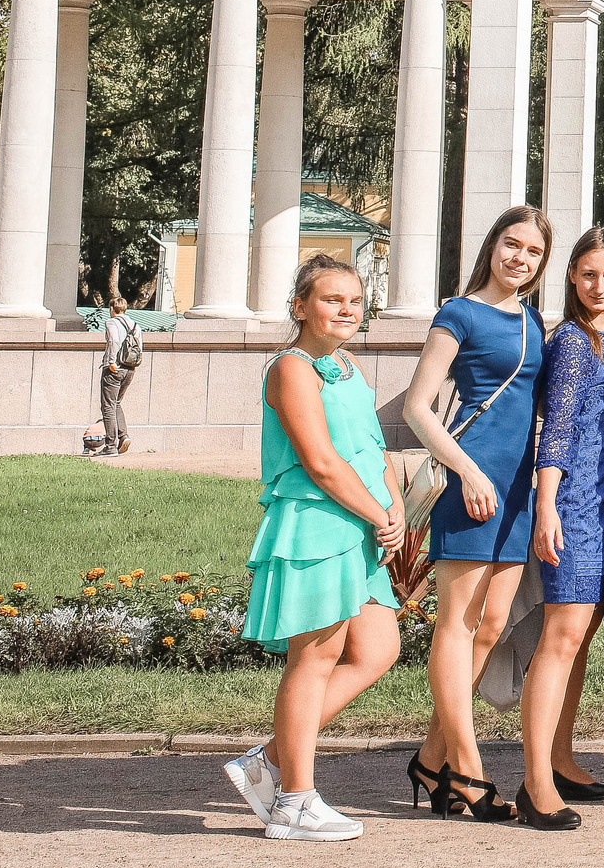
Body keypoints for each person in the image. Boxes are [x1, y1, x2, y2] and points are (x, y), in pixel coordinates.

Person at [223, 254, 404, 842]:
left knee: (377, 649)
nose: (347, 309)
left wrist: (395, 504)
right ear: (300, 307)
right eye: (332, 299)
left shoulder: (346, 365)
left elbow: (373, 447)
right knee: (315, 658)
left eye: (354, 300)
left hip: (363, 526)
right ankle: (295, 801)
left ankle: (266, 761)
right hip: (317, 526)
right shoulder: (293, 368)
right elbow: (321, 462)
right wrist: (379, 512)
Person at [403, 204, 550, 822]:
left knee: (491, 626)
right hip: (471, 484)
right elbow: (418, 407)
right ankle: (466, 766)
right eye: (511, 245)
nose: (520, 258)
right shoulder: (457, 314)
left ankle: (429, 759)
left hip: (516, 490)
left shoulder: (535, 320)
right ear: (492, 246)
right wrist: (467, 471)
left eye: (534, 252)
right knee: (456, 626)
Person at [517, 227, 604, 830]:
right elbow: (557, 427)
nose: (599, 286)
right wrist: (547, 507)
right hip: (574, 504)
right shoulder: (571, 340)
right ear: (571, 277)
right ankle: (535, 779)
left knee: (580, 636)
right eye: (588, 275)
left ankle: (561, 759)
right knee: (561, 637)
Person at [99, 292, 139, 457]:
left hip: (115, 368)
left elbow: (113, 341)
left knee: (108, 405)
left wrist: (110, 361)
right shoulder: (134, 324)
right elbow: (139, 346)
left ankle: (110, 446)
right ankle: (123, 436)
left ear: (112, 308)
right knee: (116, 403)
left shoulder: (111, 322)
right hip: (130, 368)